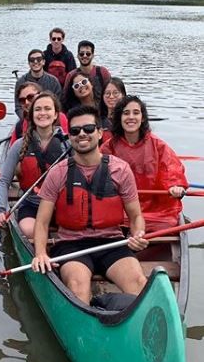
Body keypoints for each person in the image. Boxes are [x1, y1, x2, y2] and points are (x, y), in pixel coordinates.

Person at [31, 105, 149, 306]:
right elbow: (41, 223)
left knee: (139, 283)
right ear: (69, 136)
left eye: (88, 129)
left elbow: (136, 216)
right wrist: (40, 253)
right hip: (71, 246)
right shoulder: (58, 173)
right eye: (75, 131)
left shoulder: (120, 169)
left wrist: (137, 234)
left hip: (112, 243)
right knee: (77, 286)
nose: (82, 134)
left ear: (100, 132)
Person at [101, 95, 188, 231]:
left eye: (136, 113)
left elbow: (171, 168)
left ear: (142, 118)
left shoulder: (157, 144)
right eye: (126, 113)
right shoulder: (109, 147)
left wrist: (175, 186)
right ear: (119, 118)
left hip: (153, 206)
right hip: (121, 205)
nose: (131, 117)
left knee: (168, 222)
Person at [0, 92, 69, 238]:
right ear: (32, 115)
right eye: (38, 109)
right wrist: (0, 210)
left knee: (75, 230)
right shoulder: (19, 145)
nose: (43, 113)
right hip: (31, 205)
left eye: (47, 109)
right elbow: (4, 181)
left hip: (61, 206)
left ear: (55, 115)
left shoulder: (68, 144)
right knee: (30, 231)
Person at [14, 49, 61, 120]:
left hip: (48, 118)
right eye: (32, 60)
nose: (35, 62)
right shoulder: (20, 82)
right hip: (27, 118)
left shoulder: (54, 81)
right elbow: (18, 107)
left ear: (44, 62)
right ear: (29, 63)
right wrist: (28, 119)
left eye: (39, 59)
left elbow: (58, 104)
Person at [99, 77, 127, 142]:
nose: (111, 97)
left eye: (115, 93)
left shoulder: (130, 119)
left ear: (123, 95)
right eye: (107, 93)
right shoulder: (97, 120)